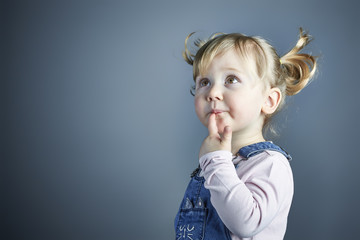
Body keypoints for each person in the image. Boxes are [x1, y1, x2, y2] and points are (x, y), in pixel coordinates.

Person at [174, 28, 317, 240]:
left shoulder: (270, 165)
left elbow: (247, 223)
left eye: (231, 79)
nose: (212, 93)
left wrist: (215, 161)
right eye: (204, 82)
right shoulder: (217, 161)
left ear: (268, 100)